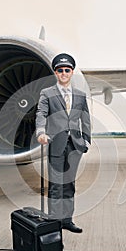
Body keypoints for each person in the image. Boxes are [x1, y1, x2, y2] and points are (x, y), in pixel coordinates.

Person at [35, 53, 91, 233]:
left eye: (67, 70)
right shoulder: (47, 93)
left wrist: (86, 140)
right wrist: (41, 132)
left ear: (72, 72)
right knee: (55, 184)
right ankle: (54, 221)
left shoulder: (80, 95)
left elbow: (86, 119)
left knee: (69, 183)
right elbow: (41, 114)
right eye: (60, 70)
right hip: (56, 144)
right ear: (56, 73)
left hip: (75, 145)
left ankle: (67, 219)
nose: (64, 73)